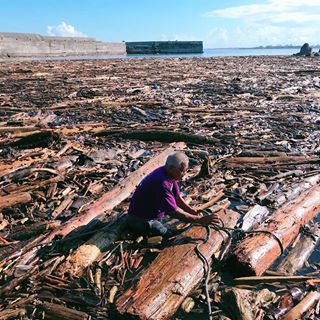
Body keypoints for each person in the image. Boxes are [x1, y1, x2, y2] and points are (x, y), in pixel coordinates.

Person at [126, 151, 220, 237]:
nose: (184, 174)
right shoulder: (161, 182)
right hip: (141, 219)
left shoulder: (170, 174)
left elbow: (177, 197)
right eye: (182, 171)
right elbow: (172, 212)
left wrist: (191, 211)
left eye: (186, 170)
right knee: (167, 234)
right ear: (171, 168)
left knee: (173, 223)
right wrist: (199, 220)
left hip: (155, 213)